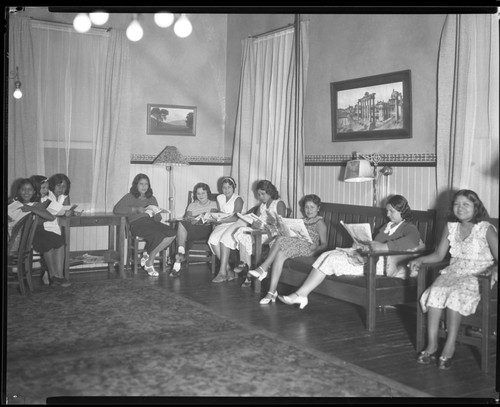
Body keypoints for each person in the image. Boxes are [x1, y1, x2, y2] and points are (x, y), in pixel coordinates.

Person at [278, 194, 422, 309]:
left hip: (379, 263)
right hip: (370, 257)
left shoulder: (408, 227)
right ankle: (302, 294)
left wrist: (384, 247)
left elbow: (413, 241)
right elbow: (375, 242)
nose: (388, 214)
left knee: (331, 259)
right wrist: (362, 244)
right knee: (328, 254)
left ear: (402, 211)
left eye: (392, 211)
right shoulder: (388, 225)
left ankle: (301, 294)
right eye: (387, 210)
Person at [408, 189, 498, 370]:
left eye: (466, 204)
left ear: (476, 207)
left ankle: (450, 345)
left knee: (455, 295)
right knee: (435, 291)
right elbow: (439, 254)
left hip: (479, 275)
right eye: (457, 204)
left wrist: (494, 269)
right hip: (454, 271)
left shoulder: (485, 228)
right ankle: (432, 344)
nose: (460, 208)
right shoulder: (451, 227)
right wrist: (420, 259)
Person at [247, 194, 328, 304]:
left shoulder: (319, 223)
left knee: (280, 239)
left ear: (318, 208)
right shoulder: (302, 221)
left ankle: (264, 267)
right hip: (298, 245)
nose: (309, 210)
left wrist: (316, 248)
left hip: (309, 249)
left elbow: (324, 244)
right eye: (306, 207)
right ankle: (271, 292)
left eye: (312, 207)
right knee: (280, 254)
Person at [215, 179, 287, 285]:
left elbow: (282, 224)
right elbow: (255, 221)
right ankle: (244, 264)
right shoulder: (262, 205)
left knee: (246, 235)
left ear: (270, 192)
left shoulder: (279, 203)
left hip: (272, 234)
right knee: (241, 231)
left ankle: (247, 273)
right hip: (260, 231)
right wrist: (254, 224)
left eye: (263, 194)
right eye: (258, 194)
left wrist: (269, 225)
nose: (260, 197)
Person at [8, 178, 69, 287]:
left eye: (30, 189)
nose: (26, 192)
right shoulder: (13, 202)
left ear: (34, 191)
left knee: (59, 240)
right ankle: (53, 275)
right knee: (45, 242)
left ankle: (58, 275)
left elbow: (50, 217)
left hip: (39, 230)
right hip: (23, 234)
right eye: (23, 189)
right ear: (19, 191)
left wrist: (31, 208)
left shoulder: (36, 204)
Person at [113, 173, 176, 277]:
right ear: (136, 185)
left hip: (152, 223)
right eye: (141, 184)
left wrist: (156, 213)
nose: (143, 186)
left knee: (172, 233)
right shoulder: (129, 197)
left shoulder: (152, 198)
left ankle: (148, 255)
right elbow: (117, 210)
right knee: (158, 235)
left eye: (146, 184)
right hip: (137, 224)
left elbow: (158, 219)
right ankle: (149, 263)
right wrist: (136, 209)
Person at [171, 182, 218, 277]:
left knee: (182, 226)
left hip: (207, 230)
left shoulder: (214, 204)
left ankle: (180, 254)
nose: (200, 196)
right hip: (193, 230)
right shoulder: (192, 205)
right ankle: (181, 253)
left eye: (203, 193)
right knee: (181, 223)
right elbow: (187, 217)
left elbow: (215, 218)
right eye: (198, 193)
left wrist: (200, 219)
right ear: (195, 195)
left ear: (208, 193)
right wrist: (191, 219)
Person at [208, 177, 244, 281]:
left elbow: (236, 217)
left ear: (234, 188)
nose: (226, 190)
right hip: (224, 222)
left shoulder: (238, 199)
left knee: (224, 239)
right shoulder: (220, 198)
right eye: (224, 187)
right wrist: (214, 217)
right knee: (213, 239)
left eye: (229, 187)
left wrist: (219, 221)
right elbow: (221, 213)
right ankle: (228, 268)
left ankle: (222, 273)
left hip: (237, 223)